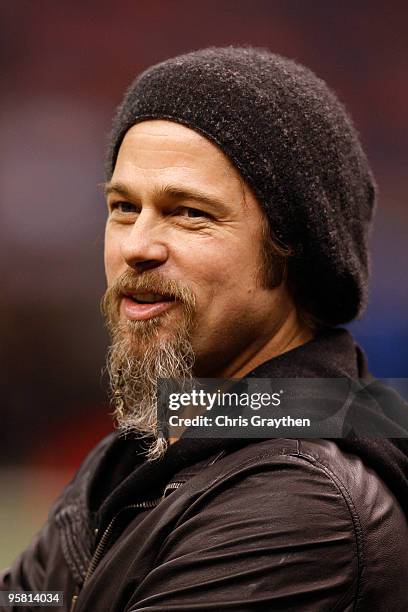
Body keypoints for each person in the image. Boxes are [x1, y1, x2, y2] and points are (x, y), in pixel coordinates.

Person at [2, 46, 408, 611]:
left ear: (293, 252)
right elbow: (32, 600)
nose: (136, 246)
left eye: (190, 212)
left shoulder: (300, 505)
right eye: (123, 207)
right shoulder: (141, 455)